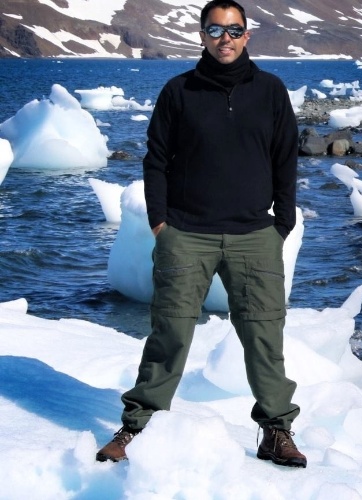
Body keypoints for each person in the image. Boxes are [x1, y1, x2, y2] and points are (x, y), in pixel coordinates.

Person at [95, 0, 305, 468]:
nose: (225, 39)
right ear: (202, 36)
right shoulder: (179, 91)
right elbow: (156, 160)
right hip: (187, 233)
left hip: (254, 234)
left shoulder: (270, 91)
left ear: (246, 36)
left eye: (233, 31)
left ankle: (276, 432)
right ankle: (135, 428)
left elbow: (285, 159)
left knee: (264, 337)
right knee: (169, 334)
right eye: (215, 30)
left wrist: (282, 225)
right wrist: (160, 223)